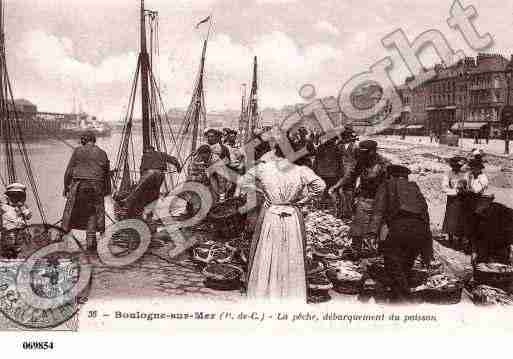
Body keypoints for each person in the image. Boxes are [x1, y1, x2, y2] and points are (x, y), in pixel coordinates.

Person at [238, 143, 326, 301]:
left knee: (268, 249)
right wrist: (306, 199)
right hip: (291, 214)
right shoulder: (301, 170)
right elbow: (320, 185)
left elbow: (243, 182)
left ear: (275, 152)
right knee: (291, 251)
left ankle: (265, 291)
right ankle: (289, 292)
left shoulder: (264, 167)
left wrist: (262, 191)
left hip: (271, 213)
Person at [369, 164, 432, 303]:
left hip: (400, 228)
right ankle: (397, 297)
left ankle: (405, 300)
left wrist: (372, 233)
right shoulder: (414, 187)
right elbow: (425, 214)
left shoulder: (387, 184)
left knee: (392, 264)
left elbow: (378, 210)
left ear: (390, 175)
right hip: (420, 230)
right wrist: (427, 247)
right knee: (405, 265)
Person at [328, 139, 389, 257]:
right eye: (361, 152)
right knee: (358, 226)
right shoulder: (361, 161)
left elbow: (390, 185)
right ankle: (356, 249)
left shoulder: (384, 164)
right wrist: (336, 186)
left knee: (377, 227)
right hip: (364, 197)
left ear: (372, 152)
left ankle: (377, 252)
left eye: (364, 152)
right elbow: (350, 175)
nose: (361, 155)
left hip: (380, 199)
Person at [62, 131, 111, 252]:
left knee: (70, 211)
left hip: (79, 186)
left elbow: (69, 171)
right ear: (94, 140)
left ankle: (61, 240)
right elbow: (106, 175)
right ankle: (91, 242)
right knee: (93, 213)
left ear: (84, 140)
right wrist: (106, 191)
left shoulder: (78, 151)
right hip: (97, 186)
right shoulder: (103, 153)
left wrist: (66, 186)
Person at [123, 146, 181, 219]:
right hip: (160, 174)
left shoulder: (145, 155)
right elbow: (173, 160)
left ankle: (126, 207)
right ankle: (150, 213)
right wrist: (178, 167)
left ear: (148, 150)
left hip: (149, 173)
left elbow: (142, 169)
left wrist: (142, 178)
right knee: (155, 192)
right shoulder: (161, 154)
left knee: (138, 190)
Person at [313, 130, 343, 209]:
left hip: (323, 174)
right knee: (331, 191)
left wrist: (315, 172)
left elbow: (315, 162)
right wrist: (340, 173)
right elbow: (340, 162)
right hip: (332, 174)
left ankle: (323, 207)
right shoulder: (336, 148)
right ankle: (333, 207)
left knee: (324, 190)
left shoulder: (321, 147)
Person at [0, 183, 32, 259]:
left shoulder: (22, 207)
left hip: (20, 233)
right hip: (8, 233)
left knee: (20, 250)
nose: (16, 198)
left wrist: (22, 208)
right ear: (9, 197)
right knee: (8, 249)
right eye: (14, 196)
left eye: (19, 196)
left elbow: (28, 216)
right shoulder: (3, 207)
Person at [441, 156, 467, 246]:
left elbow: (467, 185)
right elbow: (444, 187)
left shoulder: (464, 174)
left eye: (458, 166)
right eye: (455, 166)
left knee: (461, 218)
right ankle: (450, 238)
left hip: (462, 199)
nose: (457, 168)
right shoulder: (448, 174)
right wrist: (455, 191)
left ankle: (460, 238)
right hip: (452, 198)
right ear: (452, 166)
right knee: (451, 218)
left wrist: (464, 190)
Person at [336, 127, 359, 220]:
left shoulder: (355, 147)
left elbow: (358, 160)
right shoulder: (339, 146)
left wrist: (356, 173)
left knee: (349, 192)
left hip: (351, 172)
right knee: (341, 191)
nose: (345, 138)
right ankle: (342, 211)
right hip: (341, 172)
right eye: (344, 136)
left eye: (347, 136)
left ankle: (348, 212)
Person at [204, 128, 231, 202]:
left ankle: (221, 197)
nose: (210, 138)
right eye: (208, 136)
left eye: (212, 136)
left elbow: (228, 161)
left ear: (216, 137)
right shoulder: (204, 147)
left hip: (218, 171)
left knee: (221, 176)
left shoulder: (224, 148)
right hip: (205, 169)